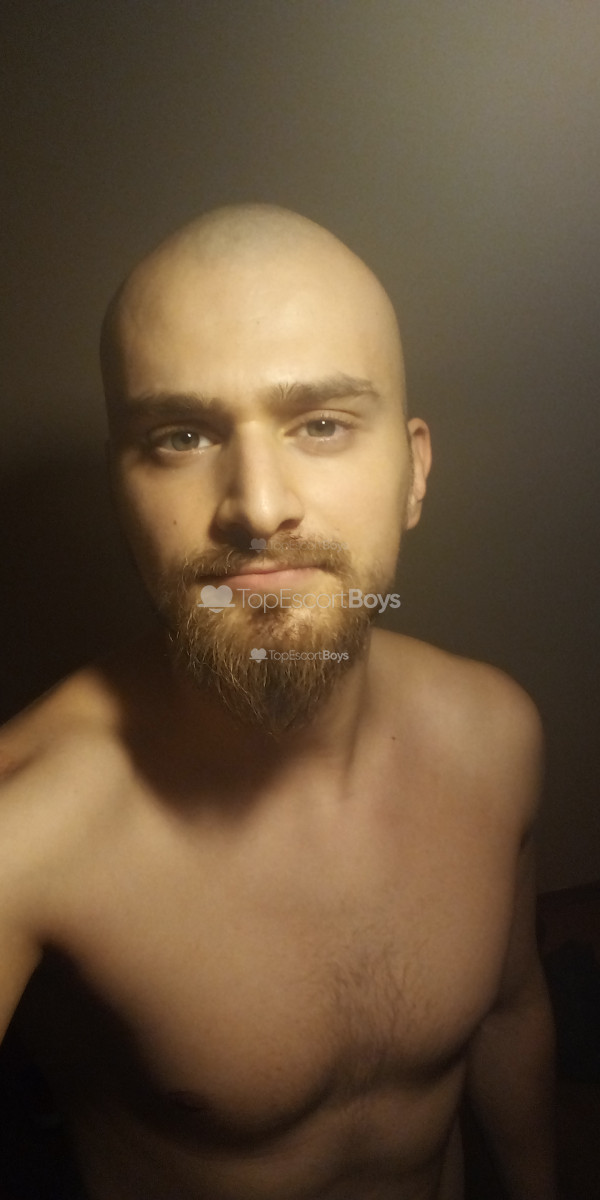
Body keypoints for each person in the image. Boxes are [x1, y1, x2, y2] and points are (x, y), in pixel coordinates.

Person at [0, 203, 556, 1199]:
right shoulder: (25, 827)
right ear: (121, 493)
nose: (259, 507)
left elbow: (512, 1013)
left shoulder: (498, 737)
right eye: (180, 435)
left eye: (322, 425)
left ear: (415, 472)